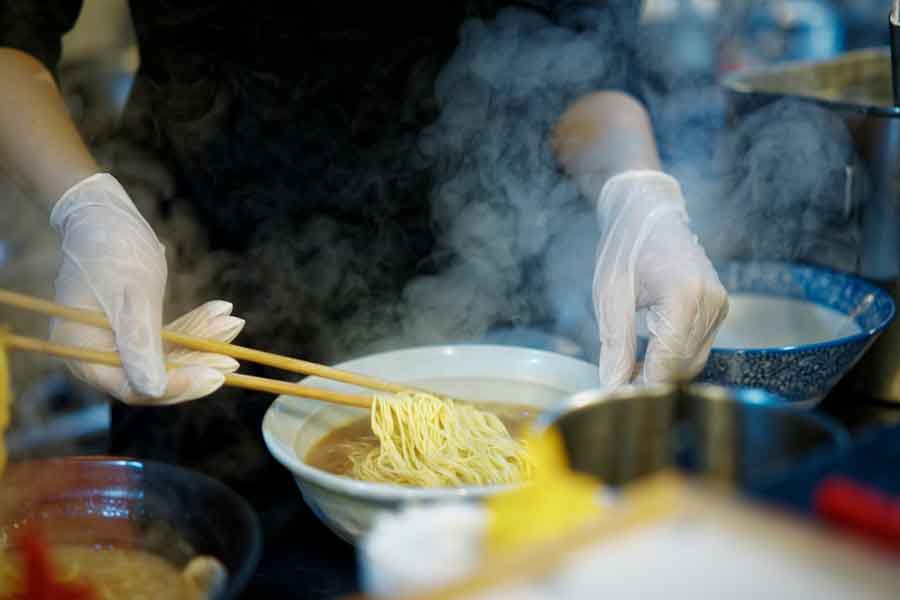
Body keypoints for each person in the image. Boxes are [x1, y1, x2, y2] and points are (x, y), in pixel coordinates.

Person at [0, 1, 727, 596]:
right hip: (191, 303)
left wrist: (637, 191)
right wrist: (86, 208)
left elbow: (581, 60)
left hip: (471, 280)